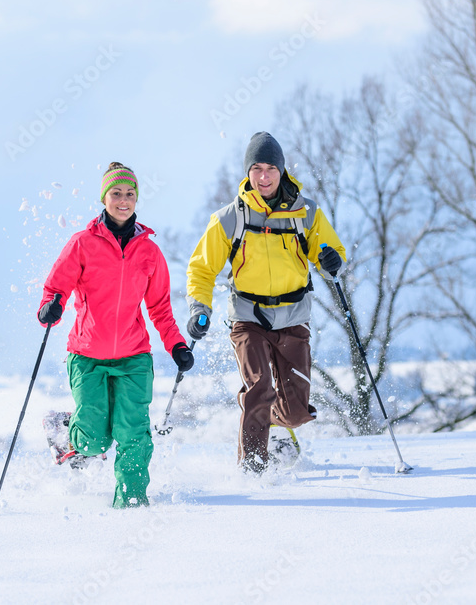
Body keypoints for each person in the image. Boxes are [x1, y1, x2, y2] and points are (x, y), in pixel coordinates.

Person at [186, 132, 345, 473]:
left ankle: (272, 425)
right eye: (256, 169)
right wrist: (200, 308)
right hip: (249, 318)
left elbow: (331, 256)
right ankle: (252, 469)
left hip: (292, 317)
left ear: (281, 170)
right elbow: (201, 269)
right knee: (259, 388)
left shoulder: (306, 213)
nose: (263, 177)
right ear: (248, 172)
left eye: (270, 168)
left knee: (296, 412)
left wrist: (332, 261)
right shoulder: (230, 218)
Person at [37, 162, 194, 508]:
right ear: (104, 198)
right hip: (88, 356)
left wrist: (176, 345)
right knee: (94, 441)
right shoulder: (82, 244)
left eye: (130, 194)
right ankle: (66, 433)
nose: (123, 200)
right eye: (116, 193)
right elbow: (55, 287)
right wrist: (52, 305)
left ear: (137, 199)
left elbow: (160, 309)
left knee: (134, 435)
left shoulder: (149, 252)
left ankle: (132, 505)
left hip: (133, 357)